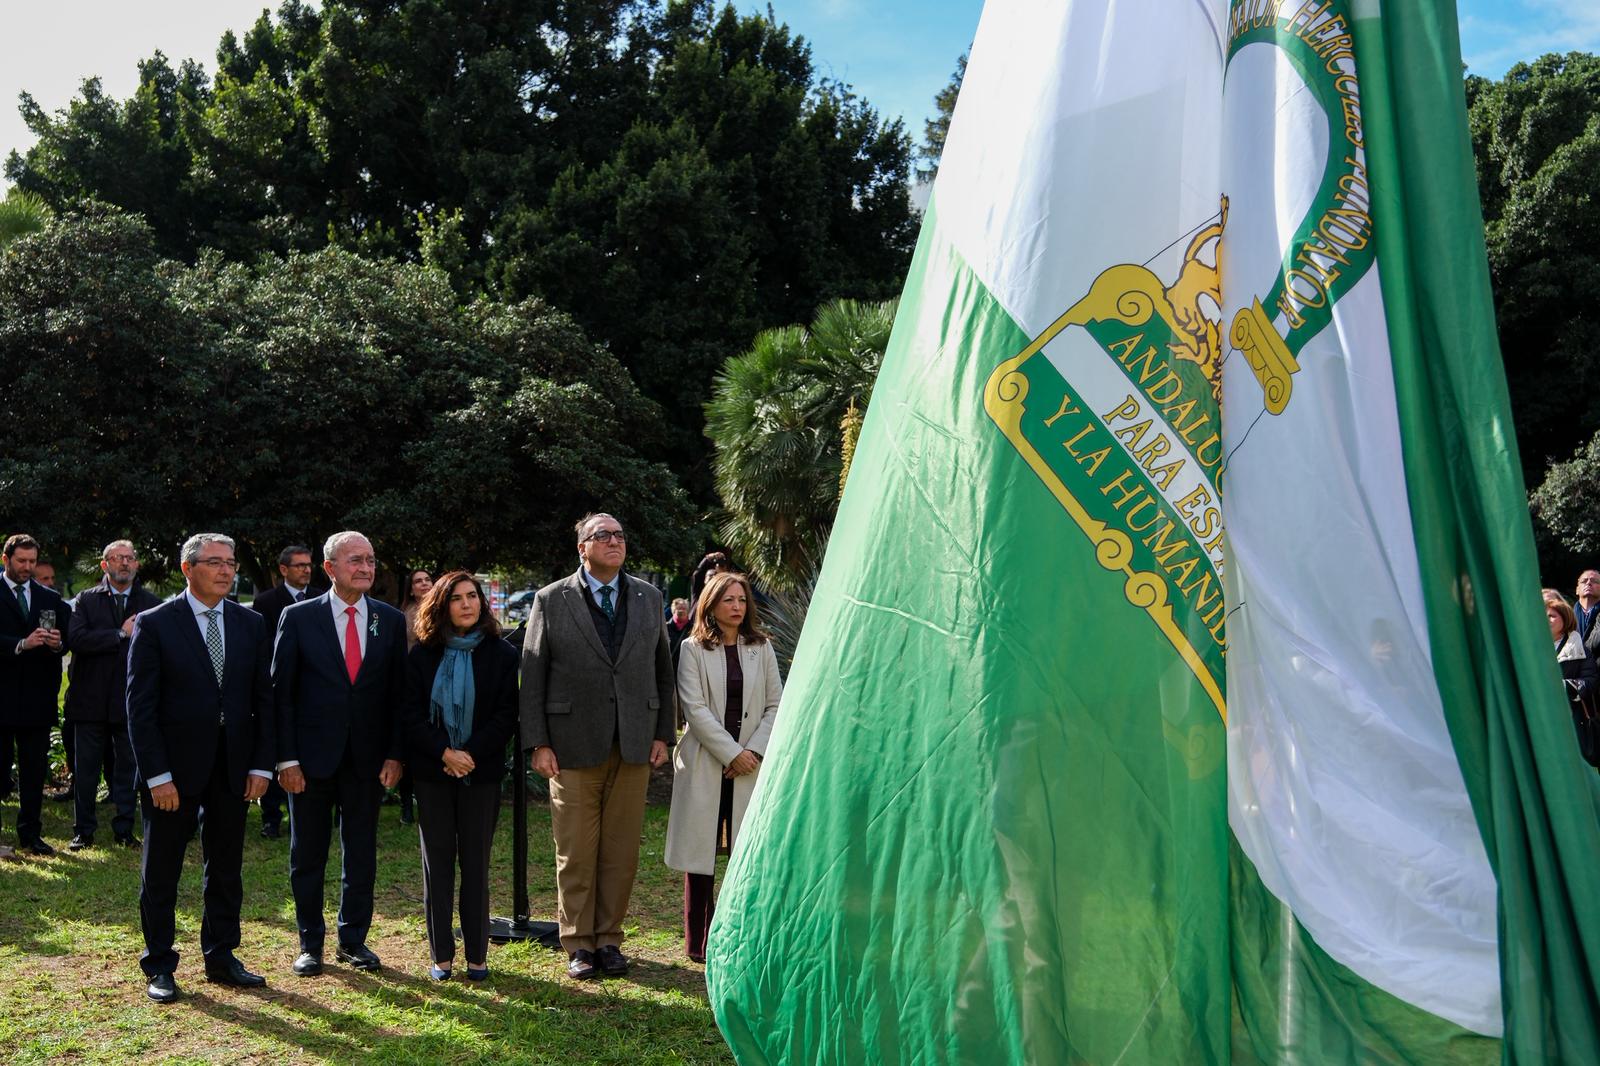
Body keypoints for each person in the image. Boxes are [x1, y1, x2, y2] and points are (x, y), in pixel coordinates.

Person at [521, 512, 676, 980]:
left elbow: (662, 670)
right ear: (582, 548)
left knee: (621, 849)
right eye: (602, 535)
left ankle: (609, 939)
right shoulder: (551, 599)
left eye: (620, 535)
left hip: (633, 741)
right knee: (576, 850)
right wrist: (538, 742)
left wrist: (662, 733)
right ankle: (578, 944)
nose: (614, 541)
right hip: (571, 746)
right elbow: (533, 678)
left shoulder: (649, 598)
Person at [126, 533, 274, 1002]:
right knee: (162, 870)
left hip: (232, 768)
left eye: (230, 562)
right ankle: (160, 965)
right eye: (215, 562)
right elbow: (140, 709)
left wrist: (261, 766)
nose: (227, 570)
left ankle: (222, 956)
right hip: (173, 772)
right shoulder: (155, 624)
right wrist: (157, 776)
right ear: (188, 569)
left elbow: (262, 702)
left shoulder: (251, 623)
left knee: (226, 866)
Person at [273, 531, 406, 976]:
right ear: (330, 568)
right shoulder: (298, 618)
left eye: (370, 560)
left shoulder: (388, 620)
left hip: (367, 760)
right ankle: (310, 943)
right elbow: (282, 696)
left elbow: (397, 697)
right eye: (355, 561)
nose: (366, 568)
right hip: (309, 762)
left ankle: (354, 941)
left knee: (361, 853)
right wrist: (286, 758)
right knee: (307, 854)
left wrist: (394, 753)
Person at [401, 571, 519, 980]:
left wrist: (468, 754)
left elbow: (507, 715)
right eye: (456, 598)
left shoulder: (502, 655)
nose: (467, 604)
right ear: (441, 605)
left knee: (476, 865)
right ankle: (441, 956)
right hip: (432, 772)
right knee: (437, 865)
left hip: (480, 773)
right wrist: (444, 752)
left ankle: (477, 956)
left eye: (473, 596)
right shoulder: (421, 655)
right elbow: (410, 715)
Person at [665, 571, 782, 962]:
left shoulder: (760, 647)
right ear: (711, 604)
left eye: (742, 600)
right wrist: (731, 752)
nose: (737, 606)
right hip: (707, 762)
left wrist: (752, 752)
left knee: (745, 851)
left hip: (750, 765)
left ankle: (741, 933)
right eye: (728, 600)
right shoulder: (693, 648)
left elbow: (775, 704)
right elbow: (694, 709)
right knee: (701, 854)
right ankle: (699, 941)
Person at [65, 540, 159, 850]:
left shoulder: (150, 603)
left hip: (131, 701)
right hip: (89, 700)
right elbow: (76, 639)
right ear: (104, 565)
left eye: (130, 558)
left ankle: (124, 829)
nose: (125, 564)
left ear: (137, 565)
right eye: (118, 559)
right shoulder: (85, 601)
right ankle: (84, 831)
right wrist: (120, 634)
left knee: (128, 770)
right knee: (86, 771)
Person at [0, 533, 71, 855]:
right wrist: (20, 644)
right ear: (6, 560)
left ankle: (30, 834)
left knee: (33, 774)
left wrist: (58, 643)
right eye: (21, 561)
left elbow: (69, 640)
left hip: (37, 700)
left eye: (32, 561)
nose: (27, 567)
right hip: (1, 697)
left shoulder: (50, 598)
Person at [250, 544, 315, 840]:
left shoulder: (320, 598)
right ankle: (271, 817)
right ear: (284, 570)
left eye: (309, 564)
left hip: (310, 690)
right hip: (276, 686)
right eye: (300, 565)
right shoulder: (266, 602)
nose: (306, 569)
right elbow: (261, 646)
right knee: (276, 749)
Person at [392, 567, 434, 826]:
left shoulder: (444, 609)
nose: (424, 584)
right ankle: (406, 802)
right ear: (410, 588)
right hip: (411, 685)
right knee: (410, 748)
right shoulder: (403, 615)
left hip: (437, 685)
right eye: (418, 581)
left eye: (428, 579)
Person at [1548, 591, 1600, 766]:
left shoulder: (1579, 647)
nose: (1545, 619)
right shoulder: (1527, 647)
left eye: (1551, 615)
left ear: (1565, 618)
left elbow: (1591, 680)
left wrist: (1564, 686)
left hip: (1570, 721)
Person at [1575, 570, 1600, 659]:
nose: (1589, 583)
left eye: (1595, 581)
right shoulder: (1564, 617)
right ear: (1577, 590)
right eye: (1584, 581)